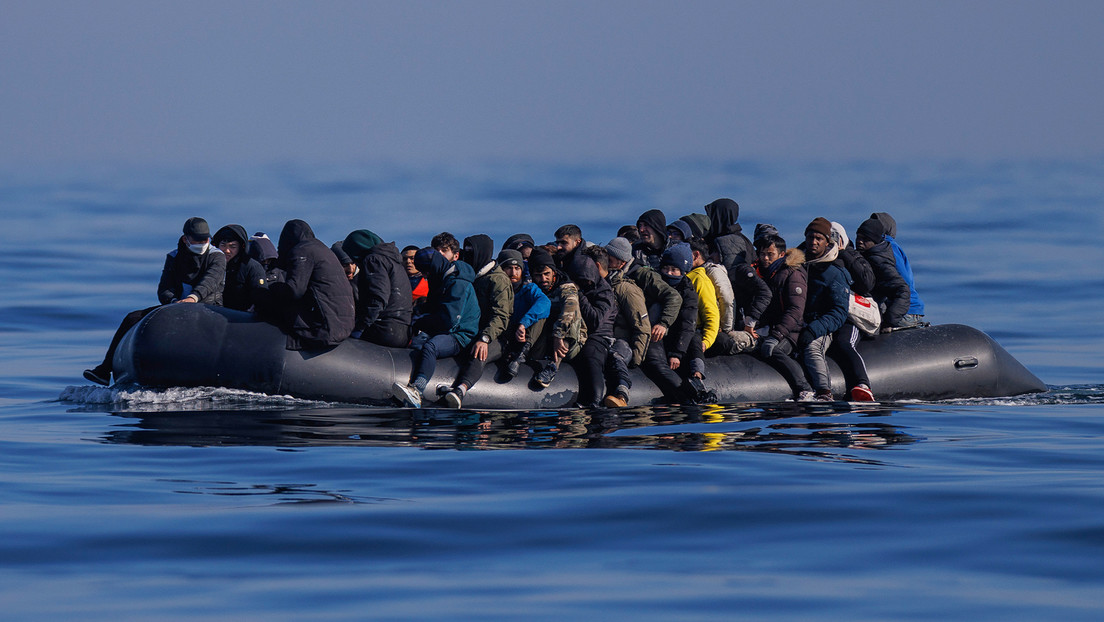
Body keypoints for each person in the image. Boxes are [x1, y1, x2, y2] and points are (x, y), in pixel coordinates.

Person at [83, 217, 226, 386]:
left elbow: (210, 281)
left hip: (207, 306)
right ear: (185, 239)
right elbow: (164, 288)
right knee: (132, 317)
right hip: (176, 307)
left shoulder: (217, 256)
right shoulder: (174, 256)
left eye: (205, 239)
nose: (202, 243)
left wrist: (192, 298)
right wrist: (173, 301)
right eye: (197, 239)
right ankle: (104, 370)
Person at [391, 248, 480, 407]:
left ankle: (417, 390)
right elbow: (433, 306)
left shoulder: (459, 283)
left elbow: (449, 321)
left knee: (431, 347)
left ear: (433, 268)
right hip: (445, 328)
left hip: (460, 334)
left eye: (426, 272)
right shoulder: (442, 278)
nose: (424, 276)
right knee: (417, 344)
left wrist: (421, 322)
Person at [254, 219, 355, 350]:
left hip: (323, 329)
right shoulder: (323, 250)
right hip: (342, 326)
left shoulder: (302, 250)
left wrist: (271, 289)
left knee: (266, 300)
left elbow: (294, 291)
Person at [440, 235, 514, 408]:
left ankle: (461, 390)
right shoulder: (473, 277)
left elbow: (501, 316)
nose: (468, 256)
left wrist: (485, 338)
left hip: (498, 337)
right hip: (472, 331)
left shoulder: (498, 280)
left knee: (479, 353)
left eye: (472, 252)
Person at [584, 245, 650, 408]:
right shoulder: (595, 287)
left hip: (622, 342)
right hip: (603, 340)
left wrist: (635, 360)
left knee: (616, 356)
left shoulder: (625, 289)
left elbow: (642, 326)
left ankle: (621, 394)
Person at [754, 233, 814, 401]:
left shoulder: (793, 273)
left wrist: (776, 335)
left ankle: (804, 388)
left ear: (781, 254)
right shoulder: (766, 273)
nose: (765, 258)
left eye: (770, 254)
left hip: (791, 331)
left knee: (773, 350)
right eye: (762, 254)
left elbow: (796, 310)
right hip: (770, 328)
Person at [799, 217, 852, 401]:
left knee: (812, 348)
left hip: (820, 326)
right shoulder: (797, 264)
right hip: (797, 321)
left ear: (827, 242)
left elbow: (839, 312)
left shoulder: (835, 273)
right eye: (810, 237)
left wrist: (814, 329)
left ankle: (824, 392)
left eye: (819, 239)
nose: (813, 242)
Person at [652, 243, 712, 403]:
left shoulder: (688, 291)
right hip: (659, 334)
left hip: (678, 334)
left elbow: (688, 323)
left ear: (683, 271)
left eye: (674, 270)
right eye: (666, 269)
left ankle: (697, 376)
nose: (669, 273)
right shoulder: (656, 284)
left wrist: (677, 354)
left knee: (694, 338)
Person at [829, 221, 878, 402]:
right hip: (826, 315)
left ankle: (863, 383)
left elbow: (866, 283)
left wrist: (845, 252)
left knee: (844, 343)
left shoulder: (853, 256)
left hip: (850, 317)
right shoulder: (812, 256)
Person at [342, 229, 413, 348]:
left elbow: (378, 298)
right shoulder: (394, 262)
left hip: (384, 328)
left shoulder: (373, 260)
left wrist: (360, 327)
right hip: (403, 329)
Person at [526, 247, 584, 389]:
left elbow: (569, 309)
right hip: (543, 340)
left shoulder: (566, 287)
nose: (543, 279)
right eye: (538, 275)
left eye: (547, 274)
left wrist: (558, 336)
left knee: (571, 314)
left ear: (554, 272)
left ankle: (553, 366)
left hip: (569, 342)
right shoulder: (532, 288)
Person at [565, 253, 617, 408]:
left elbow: (595, 320)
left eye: (586, 281)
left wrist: (579, 295)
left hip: (599, 335)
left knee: (591, 356)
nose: (584, 283)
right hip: (576, 332)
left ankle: (595, 400)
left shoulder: (604, 292)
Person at [497, 249, 551, 379]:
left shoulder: (529, 288)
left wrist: (524, 323)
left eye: (517, 268)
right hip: (503, 334)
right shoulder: (496, 288)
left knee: (541, 315)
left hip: (524, 336)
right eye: (509, 268)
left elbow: (545, 303)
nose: (513, 273)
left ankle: (521, 354)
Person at [856, 218, 912, 331]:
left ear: (875, 241)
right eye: (858, 237)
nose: (859, 241)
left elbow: (903, 290)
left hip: (889, 315)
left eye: (865, 239)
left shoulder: (879, 261)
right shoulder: (865, 255)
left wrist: (888, 322)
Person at [870, 212, 925, 326]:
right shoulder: (882, 247)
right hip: (904, 308)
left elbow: (902, 280)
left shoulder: (888, 247)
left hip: (906, 311)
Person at [213, 224, 266, 312]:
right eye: (223, 245)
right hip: (215, 315)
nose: (227, 250)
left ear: (241, 247)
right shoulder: (212, 264)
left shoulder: (251, 267)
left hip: (241, 318)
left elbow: (261, 296)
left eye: (232, 246)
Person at [704, 198, 755, 274]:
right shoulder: (710, 237)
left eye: (711, 215)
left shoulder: (735, 242)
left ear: (719, 216)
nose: (708, 220)